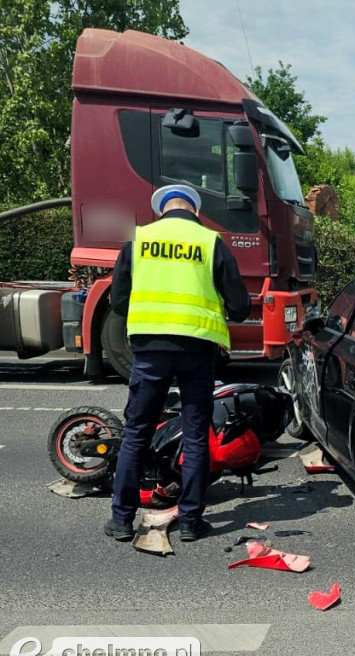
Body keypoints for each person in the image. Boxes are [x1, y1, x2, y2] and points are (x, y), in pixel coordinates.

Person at [103, 185, 250, 543]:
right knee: (196, 432)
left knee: (138, 431)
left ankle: (121, 520)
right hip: (197, 349)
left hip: (150, 349)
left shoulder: (139, 239)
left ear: (163, 211)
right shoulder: (209, 241)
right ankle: (190, 522)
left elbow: (119, 300)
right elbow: (240, 305)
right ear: (195, 211)